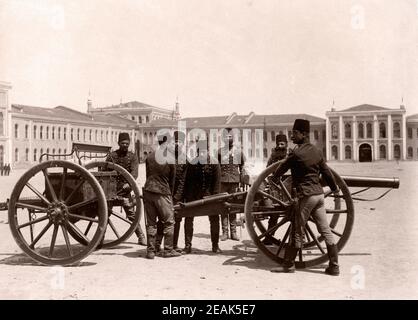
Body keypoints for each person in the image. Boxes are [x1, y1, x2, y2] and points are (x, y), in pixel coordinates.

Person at [270, 119, 340, 276]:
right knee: (326, 230)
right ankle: (334, 266)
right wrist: (334, 189)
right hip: (319, 196)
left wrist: (274, 178)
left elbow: (282, 167)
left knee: (297, 229)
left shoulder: (296, 153)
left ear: (304, 134)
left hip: (306, 196)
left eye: (295, 133)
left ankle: (288, 265)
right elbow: (327, 173)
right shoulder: (317, 151)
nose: (292, 136)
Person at [143, 133, 181, 259]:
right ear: (167, 142)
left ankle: (151, 251)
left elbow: (148, 175)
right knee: (169, 222)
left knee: (151, 223)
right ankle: (168, 250)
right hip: (163, 192)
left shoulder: (150, 157)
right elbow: (173, 180)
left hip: (148, 191)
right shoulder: (170, 158)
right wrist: (170, 195)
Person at [183, 138, 222, 253]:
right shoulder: (192, 164)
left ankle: (215, 245)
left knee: (215, 219)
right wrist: (188, 200)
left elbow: (217, 184)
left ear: (208, 151)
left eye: (204, 152)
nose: (202, 154)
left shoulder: (215, 164)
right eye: (200, 152)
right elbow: (188, 183)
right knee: (188, 218)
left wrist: (215, 199)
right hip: (194, 197)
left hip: (210, 197)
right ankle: (187, 246)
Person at [106, 132, 146, 245]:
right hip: (111, 190)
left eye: (127, 143)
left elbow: (134, 173)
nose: (125, 145)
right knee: (105, 214)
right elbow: (104, 171)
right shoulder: (112, 156)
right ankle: (100, 238)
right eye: (123, 143)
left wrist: (129, 184)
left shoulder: (132, 157)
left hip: (125, 190)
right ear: (118, 143)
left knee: (131, 214)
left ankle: (141, 236)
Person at [155, 131, 187, 254]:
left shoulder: (185, 159)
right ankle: (157, 244)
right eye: (175, 142)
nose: (177, 144)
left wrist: (178, 196)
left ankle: (173, 244)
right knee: (162, 219)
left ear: (183, 144)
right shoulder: (167, 156)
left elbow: (183, 180)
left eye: (180, 142)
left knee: (177, 220)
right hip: (165, 192)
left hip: (178, 195)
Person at [218, 128, 245, 241]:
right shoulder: (219, 151)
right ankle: (225, 232)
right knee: (224, 206)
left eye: (230, 136)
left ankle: (233, 232)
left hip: (234, 181)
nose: (228, 139)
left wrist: (242, 180)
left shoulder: (238, 151)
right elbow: (217, 167)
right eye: (226, 137)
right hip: (223, 182)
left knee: (233, 206)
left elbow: (242, 166)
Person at [263, 134, 289, 245]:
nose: (280, 145)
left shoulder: (290, 154)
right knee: (274, 213)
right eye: (278, 144)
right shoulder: (273, 154)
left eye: (282, 143)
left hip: (288, 186)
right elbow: (268, 168)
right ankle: (269, 238)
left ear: (286, 144)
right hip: (276, 186)